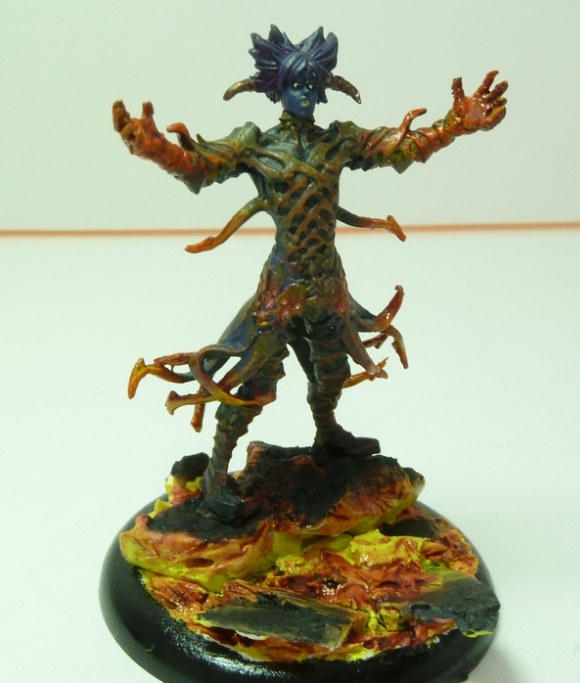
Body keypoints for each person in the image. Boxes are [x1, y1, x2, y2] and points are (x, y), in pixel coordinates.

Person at [113, 26, 507, 519]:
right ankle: (216, 475)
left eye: (311, 83)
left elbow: (398, 147)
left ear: (322, 88)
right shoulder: (255, 144)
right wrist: (157, 150)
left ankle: (328, 435)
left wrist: (454, 125)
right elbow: (200, 165)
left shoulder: (338, 142)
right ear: (277, 86)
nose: (303, 91)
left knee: (332, 371)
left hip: (328, 284)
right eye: (294, 83)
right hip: (282, 289)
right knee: (250, 382)